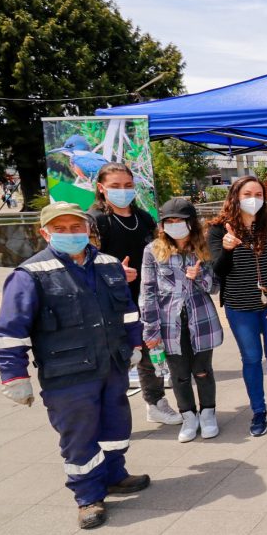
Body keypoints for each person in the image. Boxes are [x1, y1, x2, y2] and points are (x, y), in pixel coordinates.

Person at [0, 202, 150, 529]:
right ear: (45, 233)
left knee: (115, 425)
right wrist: (13, 375)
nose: (70, 234)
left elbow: (128, 311)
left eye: (76, 227)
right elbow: (11, 331)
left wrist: (135, 344)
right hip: (68, 374)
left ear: (87, 229)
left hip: (112, 365)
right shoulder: (29, 275)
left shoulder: (109, 265)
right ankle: (88, 496)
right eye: (61, 229)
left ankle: (114, 474)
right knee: (79, 435)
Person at [88, 163, 182, 426]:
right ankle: (104, 413)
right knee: (113, 360)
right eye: (115, 186)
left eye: (128, 186)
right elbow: (82, 264)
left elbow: (160, 250)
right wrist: (114, 274)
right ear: (101, 188)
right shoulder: (95, 221)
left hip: (146, 299)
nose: (123, 191)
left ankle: (155, 403)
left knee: (148, 352)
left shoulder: (143, 218)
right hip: (109, 304)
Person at [207, 176, 267, 437]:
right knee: (252, 359)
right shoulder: (218, 229)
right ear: (235, 196)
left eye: (258, 194)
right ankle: (258, 410)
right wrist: (226, 249)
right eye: (247, 194)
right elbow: (218, 271)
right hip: (240, 307)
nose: (253, 198)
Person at [140, 198, 223, 442]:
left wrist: (199, 276)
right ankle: (188, 416)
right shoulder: (153, 250)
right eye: (170, 221)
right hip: (169, 324)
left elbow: (215, 287)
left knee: (203, 370)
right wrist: (150, 330)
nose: (175, 225)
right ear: (163, 224)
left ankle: (208, 414)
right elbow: (148, 293)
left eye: (180, 220)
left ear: (191, 223)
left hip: (201, 319)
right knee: (179, 374)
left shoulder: (203, 247)